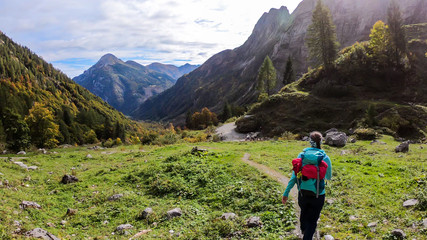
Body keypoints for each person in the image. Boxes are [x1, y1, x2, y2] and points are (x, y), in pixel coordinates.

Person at [282, 131, 332, 240]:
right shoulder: (325, 157)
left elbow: (294, 177)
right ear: (321, 142)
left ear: (310, 142)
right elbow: (329, 177)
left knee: (303, 214)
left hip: (303, 193)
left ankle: (304, 230)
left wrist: (286, 193)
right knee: (313, 221)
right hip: (318, 195)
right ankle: (308, 235)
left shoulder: (302, 156)